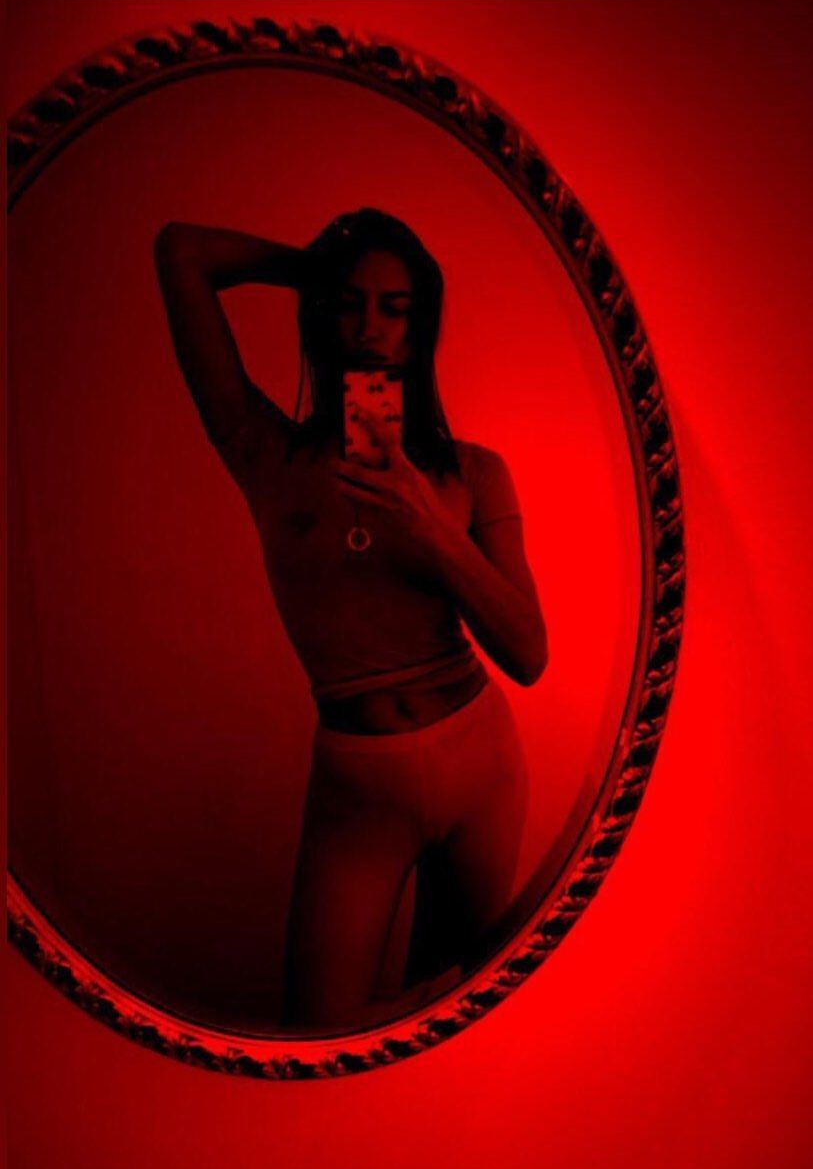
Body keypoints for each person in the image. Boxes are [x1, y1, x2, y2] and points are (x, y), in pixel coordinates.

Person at [154, 207, 547, 1029]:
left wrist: (431, 529)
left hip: (479, 759)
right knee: (320, 1027)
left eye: (395, 309)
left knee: (462, 1028)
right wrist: (314, 271)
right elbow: (181, 252)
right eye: (351, 305)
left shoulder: (476, 474)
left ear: (420, 330)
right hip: (356, 785)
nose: (370, 329)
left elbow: (528, 653)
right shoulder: (265, 451)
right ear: (325, 316)